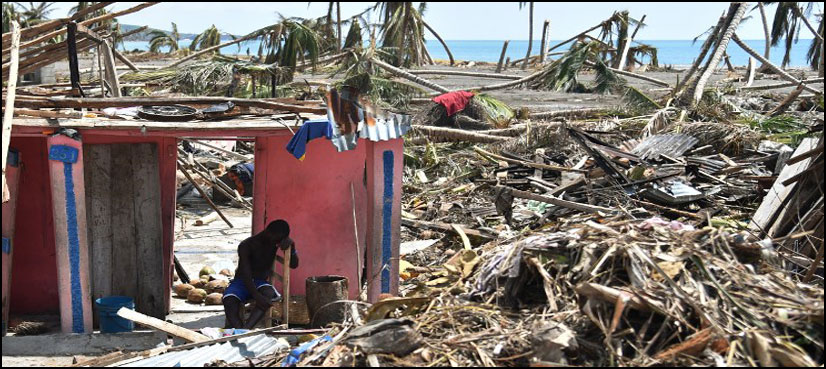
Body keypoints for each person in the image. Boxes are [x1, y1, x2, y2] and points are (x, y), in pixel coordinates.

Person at [222, 219, 299, 329]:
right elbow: (246, 274)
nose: (276, 244)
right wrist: (256, 296)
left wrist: (292, 248)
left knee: (268, 294)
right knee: (228, 300)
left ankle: (245, 331)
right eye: (275, 240)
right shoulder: (246, 245)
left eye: (279, 241)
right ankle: (241, 331)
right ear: (268, 232)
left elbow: (294, 265)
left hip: (260, 282)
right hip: (242, 281)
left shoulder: (274, 242)